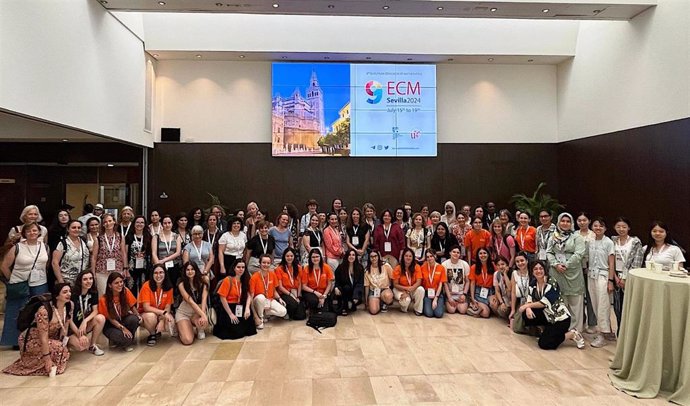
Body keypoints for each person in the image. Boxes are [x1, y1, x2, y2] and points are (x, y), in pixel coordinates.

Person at [3, 283, 73, 376]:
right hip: (32, 339)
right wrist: (47, 358)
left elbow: (65, 327)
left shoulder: (69, 306)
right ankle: (44, 366)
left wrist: (63, 342)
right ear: (56, 296)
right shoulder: (44, 311)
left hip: (50, 337)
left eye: (69, 291)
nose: (69, 294)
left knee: (62, 349)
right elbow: (43, 337)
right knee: (58, 347)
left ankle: (51, 366)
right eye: (65, 292)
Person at [1, 222, 50, 348]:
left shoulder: (45, 246)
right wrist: (12, 280)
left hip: (40, 283)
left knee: (39, 312)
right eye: (29, 231)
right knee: (16, 312)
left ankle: (36, 338)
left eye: (34, 230)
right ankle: (14, 340)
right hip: (20, 283)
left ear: (39, 232)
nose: (32, 233)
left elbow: (46, 264)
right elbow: (4, 266)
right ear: (24, 233)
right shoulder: (17, 247)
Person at [519, 260, 585, 350]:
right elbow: (529, 298)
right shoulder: (533, 283)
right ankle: (546, 331)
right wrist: (528, 308)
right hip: (548, 316)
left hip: (560, 319)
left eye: (541, 268)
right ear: (532, 271)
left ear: (545, 270)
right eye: (535, 269)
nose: (538, 271)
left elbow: (544, 303)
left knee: (544, 344)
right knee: (526, 315)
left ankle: (571, 334)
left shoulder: (551, 282)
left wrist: (526, 306)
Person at [547, 212, 586, 333]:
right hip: (557, 272)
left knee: (576, 304)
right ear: (558, 222)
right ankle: (561, 330)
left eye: (568, 221)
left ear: (571, 223)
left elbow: (579, 254)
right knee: (559, 302)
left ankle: (576, 331)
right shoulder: (553, 236)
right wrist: (555, 264)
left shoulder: (577, 237)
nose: (565, 223)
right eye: (562, 221)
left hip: (573, 273)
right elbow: (549, 252)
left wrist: (566, 265)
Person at [611, 217, 644, 335]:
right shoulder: (613, 241)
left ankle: (630, 333)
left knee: (629, 306)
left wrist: (626, 278)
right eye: (618, 227)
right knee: (617, 305)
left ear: (629, 228)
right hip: (616, 278)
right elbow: (610, 261)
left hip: (630, 278)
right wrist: (614, 277)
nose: (621, 229)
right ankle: (620, 330)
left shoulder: (635, 242)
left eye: (624, 227)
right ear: (614, 227)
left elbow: (637, 263)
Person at [586, 217, 615, 347]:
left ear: (605, 228)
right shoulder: (590, 241)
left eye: (601, 226)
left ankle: (602, 334)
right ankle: (606, 331)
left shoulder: (608, 242)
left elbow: (611, 262)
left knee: (603, 305)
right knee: (595, 304)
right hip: (591, 275)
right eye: (596, 225)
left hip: (603, 276)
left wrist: (610, 280)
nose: (598, 228)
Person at [213, 259, 256, 340]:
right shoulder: (228, 280)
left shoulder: (245, 279)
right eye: (238, 267)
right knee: (235, 334)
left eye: (243, 267)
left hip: (241, 305)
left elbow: (249, 294)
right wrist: (230, 314)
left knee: (250, 331)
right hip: (229, 307)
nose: (241, 269)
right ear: (234, 268)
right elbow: (222, 298)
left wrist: (247, 308)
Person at [99, 272, 140, 352]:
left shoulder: (125, 291)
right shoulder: (103, 299)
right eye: (116, 283)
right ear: (110, 285)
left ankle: (128, 339)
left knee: (134, 319)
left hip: (123, 319)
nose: (120, 284)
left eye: (121, 282)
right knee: (124, 339)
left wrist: (138, 316)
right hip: (111, 325)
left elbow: (132, 306)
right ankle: (124, 340)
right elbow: (110, 319)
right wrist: (123, 328)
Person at [91, 213, 128, 296]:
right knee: (103, 294)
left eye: (110, 221)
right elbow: (94, 257)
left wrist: (125, 268)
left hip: (117, 269)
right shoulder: (98, 238)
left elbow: (123, 253)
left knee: (117, 294)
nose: (108, 223)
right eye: (105, 222)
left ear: (114, 222)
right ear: (103, 224)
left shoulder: (120, 237)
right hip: (102, 271)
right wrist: (93, 273)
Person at [69, 270, 105, 355]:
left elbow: (95, 310)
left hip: (84, 325)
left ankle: (92, 345)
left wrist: (85, 321)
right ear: (80, 281)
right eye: (85, 279)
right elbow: (68, 319)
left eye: (90, 278)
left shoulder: (93, 292)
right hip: (71, 328)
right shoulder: (73, 294)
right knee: (81, 346)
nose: (89, 281)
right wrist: (79, 334)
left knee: (100, 318)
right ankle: (67, 345)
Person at [138, 265, 175, 346]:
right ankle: (152, 334)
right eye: (156, 273)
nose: (158, 275)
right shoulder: (146, 285)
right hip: (146, 314)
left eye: (161, 272)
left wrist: (162, 320)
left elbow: (167, 308)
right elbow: (146, 307)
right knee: (151, 317)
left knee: (171, 322)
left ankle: (158, 330)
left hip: (160, 313)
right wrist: (163, 313)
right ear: (152, 274)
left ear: (165, 274)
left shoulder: (169, 287)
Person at [249, 254, 287, 329]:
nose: (266, 265)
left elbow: (274, 290)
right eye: (263, 262)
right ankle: (260, 318)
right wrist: (254, 314)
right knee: (261, 297)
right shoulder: (254, 277)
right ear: (260, 263)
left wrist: (279, 298)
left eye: (268, 263)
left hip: (269, 299)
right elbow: (251, 296)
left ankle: (265, 313)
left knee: (283, 312)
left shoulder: (272, 274)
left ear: (270, 264)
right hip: (258, 300)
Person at [175, 262, 209, 344]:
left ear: (196, 270)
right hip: (185, 312)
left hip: (198, 311)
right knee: (188, 340)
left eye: (192, 269)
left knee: (203, 324)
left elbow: (204, 298)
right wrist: (204, 315)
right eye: (188, 270)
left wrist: (202, 315)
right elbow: (189, 301)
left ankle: (197, 328)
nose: (190, 272)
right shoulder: (181, 282)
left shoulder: (204, 280)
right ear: (184, 271)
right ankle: (181, 327)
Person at [576, 212, 598, 334]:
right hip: (577, 269)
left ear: (589, 221)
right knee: (579, 297)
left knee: (590, 296)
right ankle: (581, 321)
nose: (582, 222)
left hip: (591, 269)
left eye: (584, 220)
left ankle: (592, 323)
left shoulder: (594, 235)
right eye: (579, 220)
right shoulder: (574, 234)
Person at [52, 220, 90, 286]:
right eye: (74, 227)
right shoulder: (63, 243)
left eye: (79, 227)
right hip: (67, 281)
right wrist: (61, 281)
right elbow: (54, 263)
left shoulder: (83, 241)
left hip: (83, 281)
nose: (76, 229)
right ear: (68, 229)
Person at [152, 215, 183, 294]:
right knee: (161, 285)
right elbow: (153, 253)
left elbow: (178, 252)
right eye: (165, 223)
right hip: (160, 265)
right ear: (162, 224)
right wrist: (158, 265)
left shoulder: (177, 236)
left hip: (174, 265)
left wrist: (164, 260)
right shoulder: (156, 237)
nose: (167, 225)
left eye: (169, 223)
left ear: (172, 224)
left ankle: (172, 305)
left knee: (172, 286)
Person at [274, 248, 306, 320]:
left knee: (301, 316)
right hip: (284, 293)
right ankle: (285, 310)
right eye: (287, 256)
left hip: (295, 291)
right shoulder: (279, 269)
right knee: (293, 305)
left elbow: (300, 283)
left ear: (294, 256)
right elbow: (280, 287)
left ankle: (292, 311)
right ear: (284, 257)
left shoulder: (299, 268)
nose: (289, 258)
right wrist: (291, 295)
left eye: (291, 256)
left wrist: (298, 296)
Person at [300, 248, 334, 313]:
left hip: (323, 292)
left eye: (317, 256)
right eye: (313, 257)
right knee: (314, 301)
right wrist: (315, 292)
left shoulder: (327, 267)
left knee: (325, 310)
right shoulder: (306, 269)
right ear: (310, 258)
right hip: (311, 292)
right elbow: (303, 286)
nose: (315, 259)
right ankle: (311, 308)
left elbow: (330, 284)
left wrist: (324, 296)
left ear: (320, 257)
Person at [392, 248, 424, 315]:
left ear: (413, 258)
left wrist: (409, 290)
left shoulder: (417, 266)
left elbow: (419, 282)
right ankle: (403, 308)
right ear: (403, 257)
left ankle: (418, 309)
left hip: (412, 288)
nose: (408, 258)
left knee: (421, 289)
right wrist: (406, 290)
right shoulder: (398, 268)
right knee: (406, 301)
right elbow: (395, 284)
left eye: (410, 256)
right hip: (400, 289)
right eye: (406, 256)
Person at [125, 215, 151, 297]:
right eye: (137, 222)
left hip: (144, 267)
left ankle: (142, 308)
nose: (139, 224)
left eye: (142, 222)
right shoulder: (129, 237)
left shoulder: (148, 237)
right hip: (131, 267)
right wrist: (125, 268)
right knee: (131, 288)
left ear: (145, 224)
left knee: (143, 288)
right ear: (134, 224)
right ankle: (131, 308)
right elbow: (125, 253)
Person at [334, 249, 364, 315]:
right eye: (349, 255)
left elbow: (360, 283)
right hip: (344, 291)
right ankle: (344, 306)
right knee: (346, 287)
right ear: (346, 256)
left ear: (356, 256)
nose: (351, 257)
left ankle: (351, 303)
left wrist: (355, 296)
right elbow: (337, 280)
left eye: (353, 255)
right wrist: (336, 287)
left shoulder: (360, 268)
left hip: (355, 291)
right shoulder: (340, 267)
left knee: (358, 298)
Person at [442, 245, 470, 315]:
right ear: (450, 253)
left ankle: (459, 304)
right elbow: (445, 283)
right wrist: (449, 297)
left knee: (462, 310)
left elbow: (467, 281)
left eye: (458, 252)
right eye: (454, 252)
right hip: (450, 293)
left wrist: (464, 294)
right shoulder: (444, 264)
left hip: (461, 293)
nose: (456, 254)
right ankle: (451, 302)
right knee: (451, 310)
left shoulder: (465, 264)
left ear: (460, 254)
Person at [364, 249, 394, 315]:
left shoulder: (386, 266)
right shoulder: (367, 270)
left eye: (375, 256)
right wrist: (366, 301)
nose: (374, 258)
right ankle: (379, 303)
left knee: (388, 296)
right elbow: (367, 286)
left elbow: (393, 278)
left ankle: (384, 302)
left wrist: (392, 290)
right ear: (369, 258)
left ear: (378, 256)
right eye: (371, 257)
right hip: (374, 291)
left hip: (385, 289)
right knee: (373, 311)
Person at [467, 247, 495, 319]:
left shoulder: (493, 265)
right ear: (478, 256)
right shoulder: (474, 267)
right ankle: (475, 306)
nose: (483, 255)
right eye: (480, 253)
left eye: (485, 253)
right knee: (486, 314)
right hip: (478, 291)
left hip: (490, 291)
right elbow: (472, 283)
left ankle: (475, 309)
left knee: (494, 305)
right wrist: (473, 298)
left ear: (488, 254)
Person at [509, 252, 531, 334]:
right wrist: (513, 309)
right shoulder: (514, 273)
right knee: (517, 328)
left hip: (531, 301)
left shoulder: (532, 272)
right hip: (520, 301)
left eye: (522, 260)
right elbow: (513, 293)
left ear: (527, 261)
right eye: (517, 262)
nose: (520, 263)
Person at [420, 249, 446, 318]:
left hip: (437, 293)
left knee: (438, 314)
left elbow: (441, 285)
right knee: (429, 314)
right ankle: (426, 305)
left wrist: (436, 298)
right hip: (427, 293)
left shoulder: (441, 268)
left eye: (431, 256)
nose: (429, 258)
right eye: (427, 257)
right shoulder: (423, 267)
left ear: (435, 256)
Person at [203, 214, 222, 282]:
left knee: (215, 278)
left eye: (214, 220)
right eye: (210, 220)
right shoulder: (203, 233)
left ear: (217, 221)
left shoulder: (221, 234)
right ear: (207, 221)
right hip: (205, 259)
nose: (212, 221)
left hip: (217, 259)